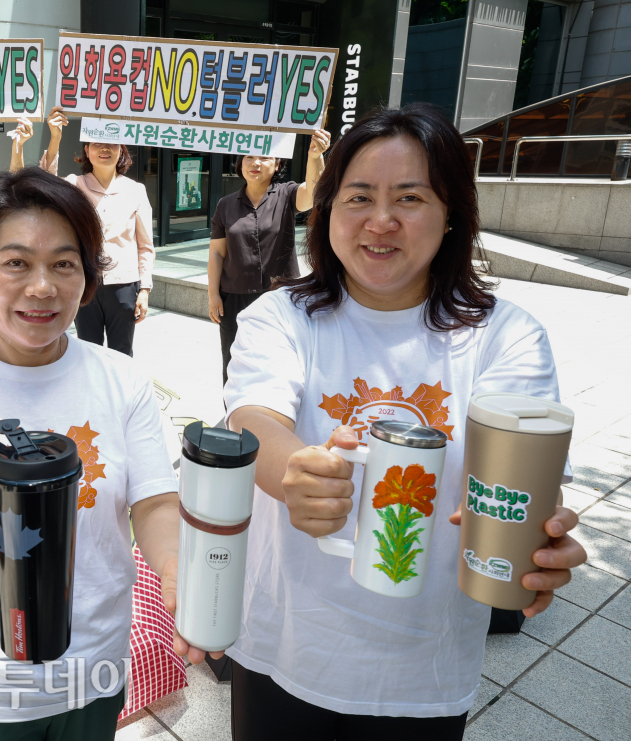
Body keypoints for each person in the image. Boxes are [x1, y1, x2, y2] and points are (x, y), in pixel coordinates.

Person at [222, 104, 587, 740]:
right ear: (328, 209)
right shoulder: (281, 315)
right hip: (283, 648)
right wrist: (294, 473)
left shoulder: (506, 336)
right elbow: (254, 416)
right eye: (358, 196)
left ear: (451, 216)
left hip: (424, 672)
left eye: (410, 197)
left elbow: (514, 467)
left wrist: (533, 528)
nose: (381, 220)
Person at [0, 167, 216, 741]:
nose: (42, 286)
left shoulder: (122, 382)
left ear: (87, 278)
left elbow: (154, 503)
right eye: (17, 262)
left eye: (64, 263)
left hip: (94, 674)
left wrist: (176, 570)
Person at [10, 107, 154, 356]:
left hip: (123, 284)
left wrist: (144, 290)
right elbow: (44, 181)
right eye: (96, 143)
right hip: (84, 282)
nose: (104, 149)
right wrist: (55, 136)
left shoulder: (136, 190)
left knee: (122, 351)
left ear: (121, 151)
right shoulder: (74, 186)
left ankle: (120, 395)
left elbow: (145, 245)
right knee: (87, 350)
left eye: (111, 143)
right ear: (86, 150)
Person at [206, 130, 330, 385]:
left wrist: (315, 156)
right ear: (240, 163)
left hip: (279, 295)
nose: (255, 163)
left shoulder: (287, 194)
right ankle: (235, 416)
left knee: (277, 358)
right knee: (233, 359)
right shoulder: (225, 205)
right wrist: (213, 294)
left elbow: (315, 191)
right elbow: (217, 252)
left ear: (277, 165)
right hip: (234, 296)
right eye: (249, 157)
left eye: (264, 157)